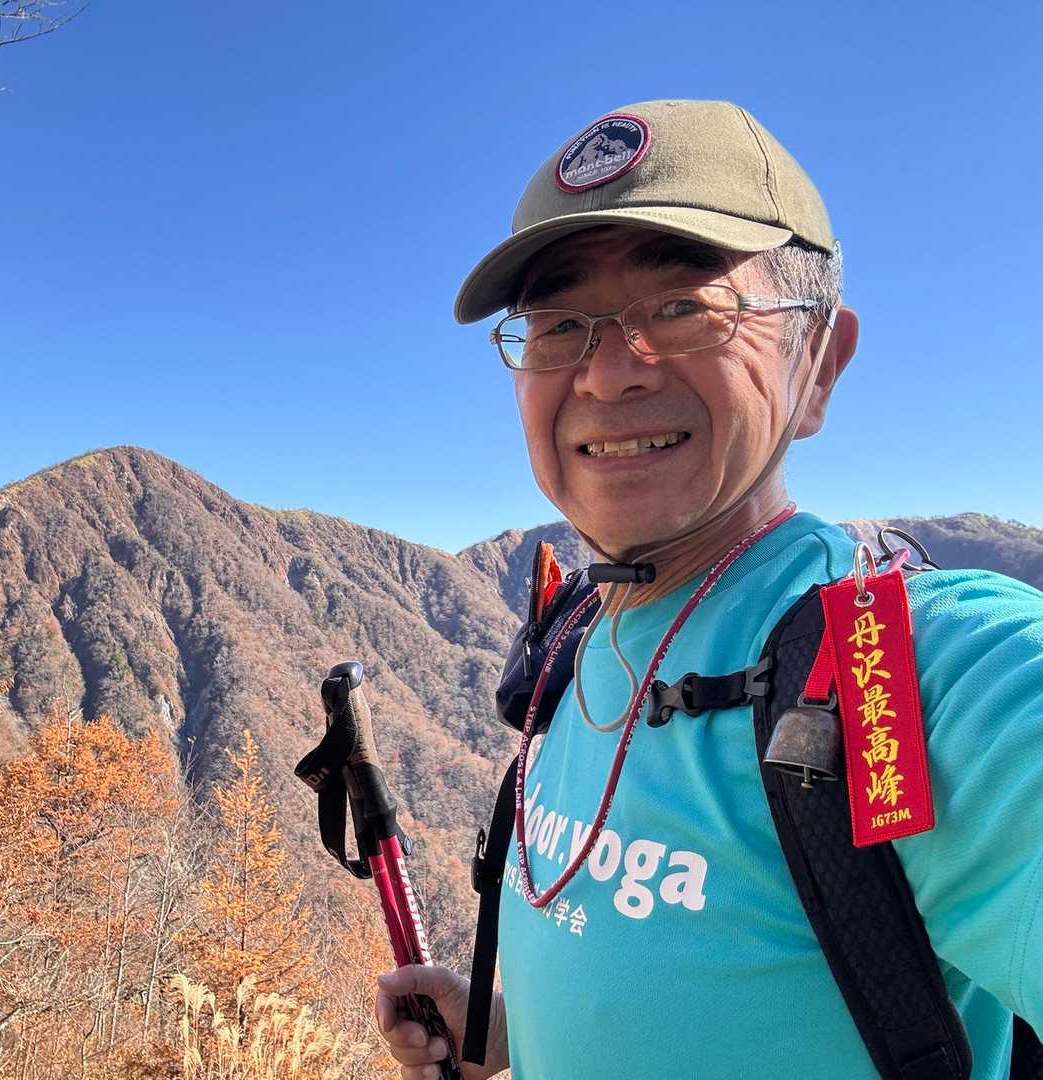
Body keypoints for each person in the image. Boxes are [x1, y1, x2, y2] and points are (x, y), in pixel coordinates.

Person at [373, 99, 1043, 1079]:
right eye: (559, 325)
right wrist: (513, 1033)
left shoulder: (924, 673)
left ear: (819, 362)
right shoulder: (576, 633)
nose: (606, 375)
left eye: (682, 306)